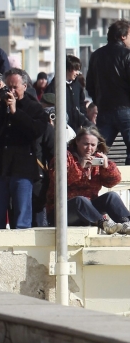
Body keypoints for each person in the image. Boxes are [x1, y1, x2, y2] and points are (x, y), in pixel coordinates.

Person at [0, 69, 50, 229]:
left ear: (24, 86)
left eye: (15, 87)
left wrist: (15, 112)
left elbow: (35, 130)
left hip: (22, 169)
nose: (10, 91)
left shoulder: (34, 108)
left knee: (22, 219)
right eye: (7, 87)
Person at [47, 126, 129, 232]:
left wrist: (106, 167)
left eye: (93, 145)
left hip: (89, 210)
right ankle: (104, 224)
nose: (89, 148)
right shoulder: (65, 157)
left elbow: (113, 182)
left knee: (111, 196)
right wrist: (79, 167)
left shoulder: (97, 158)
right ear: (77, 142)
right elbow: (58, 181)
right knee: (80, 200)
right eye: (86, 144)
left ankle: (126, 223)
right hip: (62, 211)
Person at [87, 21, 130, 164]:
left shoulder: (96, 55)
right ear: (123, 36)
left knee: (97, 150)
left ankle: (93, 181)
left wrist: (98, 101)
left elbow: (90, 85)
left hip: (104, 110)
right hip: (126, 110)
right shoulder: (127, 55)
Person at [45, 56, 88, 132]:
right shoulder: (54, 86)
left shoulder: (77, 85)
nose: (77, 73)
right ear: (68, 69)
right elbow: (48, 107)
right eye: (75, 70)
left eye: (78, 70)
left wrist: (81, 119)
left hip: (76, 128)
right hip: (61, 129)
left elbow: (82, 104)